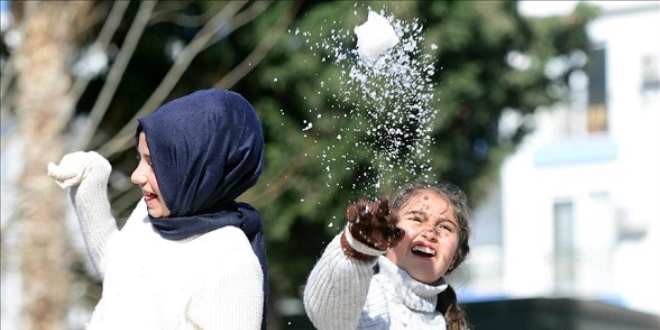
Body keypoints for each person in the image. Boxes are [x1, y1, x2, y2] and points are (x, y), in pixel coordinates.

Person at [47, 89, 268, 330]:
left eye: (153, 163)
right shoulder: (151, 216)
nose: (136, 175)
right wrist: (90, 181)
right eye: (138, 159)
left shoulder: (230, 261)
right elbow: (119, 272)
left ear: (198, 166)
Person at [303, 181, 471, 329]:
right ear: (388, 233)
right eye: (417, 219)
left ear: (455, 257)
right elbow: (329, 317)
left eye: (444, 227)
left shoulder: (445, 323)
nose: (430, 232)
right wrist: (355, 250)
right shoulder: (366, 297)